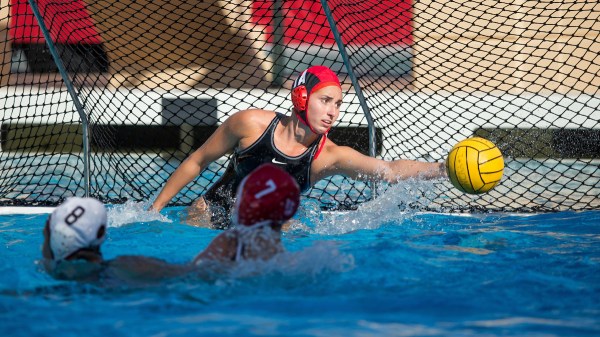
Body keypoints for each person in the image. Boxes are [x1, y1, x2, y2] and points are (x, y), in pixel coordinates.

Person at [151, 65, 446, 228]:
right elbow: (198, 160)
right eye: (325, 101)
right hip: (211, 213)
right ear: (301, 98)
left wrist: (444, 170)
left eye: (338, 104)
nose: (333, 112)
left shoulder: (328, 156)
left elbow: (390, 171)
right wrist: (155, 209)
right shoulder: (249, 124)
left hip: (268, 230)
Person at [41, 164, 300, 283]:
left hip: (195, 286)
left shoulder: (230, 242)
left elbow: (194, 275)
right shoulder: (292, 260)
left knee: (123, 267)